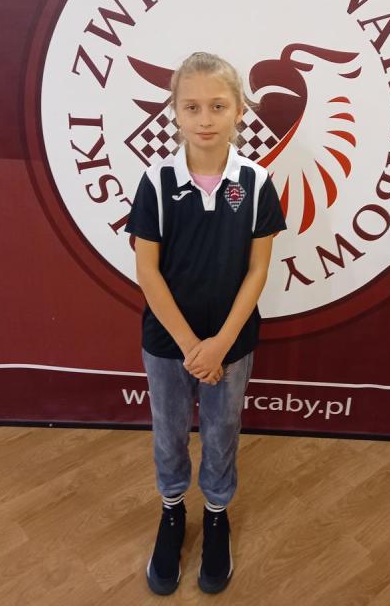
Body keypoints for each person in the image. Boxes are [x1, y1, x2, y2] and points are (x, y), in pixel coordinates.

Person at [124, 51, 287, 596]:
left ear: (240, 109)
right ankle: (172, 511)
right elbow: (147, 271)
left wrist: (219, 344)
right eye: (191, 106)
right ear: (174, 110)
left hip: (231, 343)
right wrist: (193, 345)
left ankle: (217, 515)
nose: (205, 118)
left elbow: (258, 269)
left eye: (218, 105)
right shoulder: (156, 181)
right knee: (169, 431)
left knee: (221, 432)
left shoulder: (256, 183)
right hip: (167, 342)